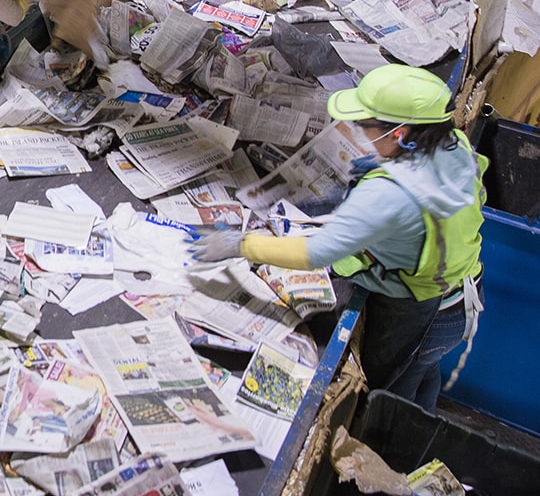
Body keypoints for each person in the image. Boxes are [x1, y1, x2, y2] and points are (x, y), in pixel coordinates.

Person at [192, 64, 485, 412]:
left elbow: (317, 252)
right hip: (464, 289)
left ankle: (397, 455)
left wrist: (241, 244)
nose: (359, 130)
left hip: (423, 312)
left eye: (366, 124)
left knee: (392, 397)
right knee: (422, 371)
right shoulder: (453, 142)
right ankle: (420, 421)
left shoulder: (387, 196)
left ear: (400, 134)